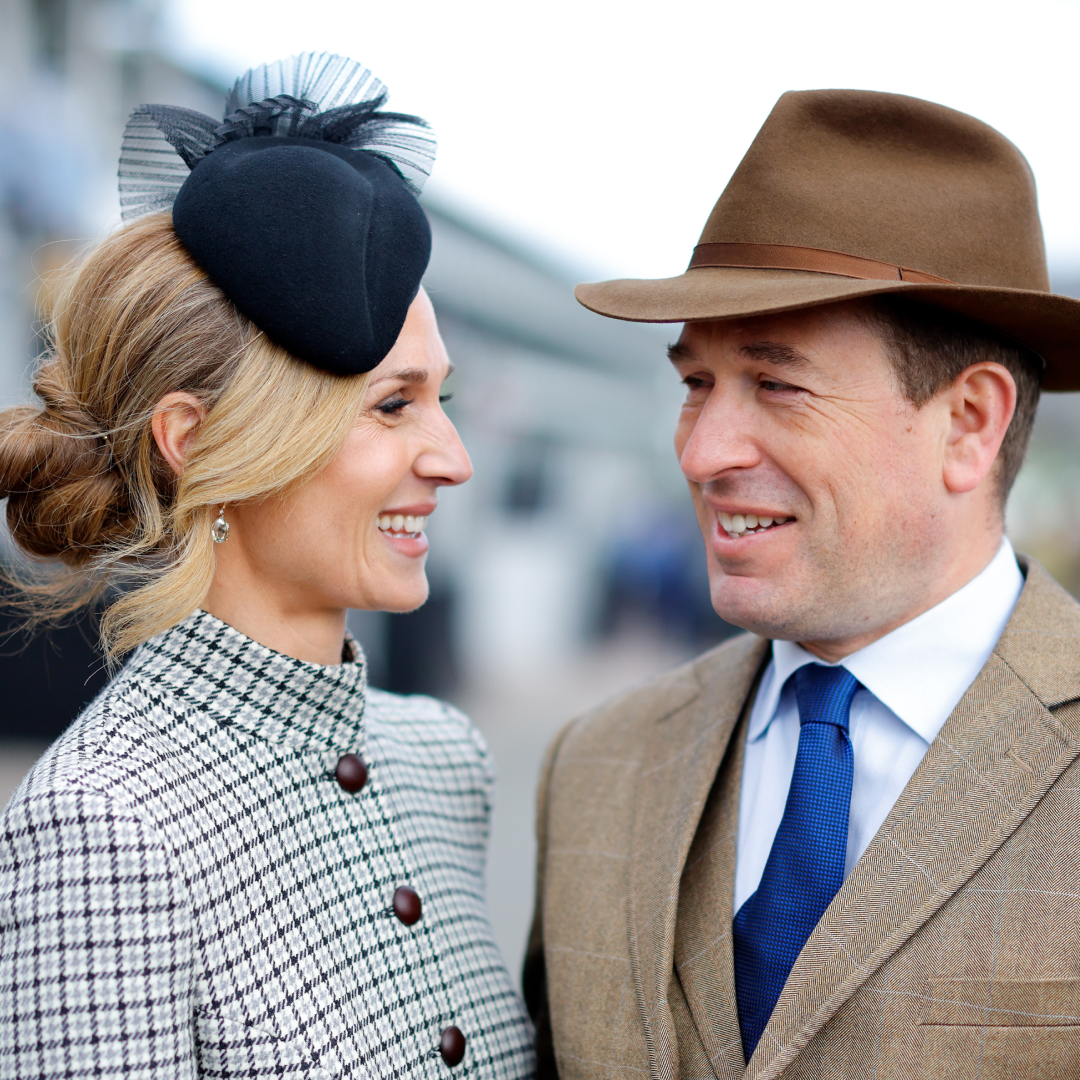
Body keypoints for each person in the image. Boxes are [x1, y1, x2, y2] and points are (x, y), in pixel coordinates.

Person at [524, 89, 1080, 1080]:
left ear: (970, 425)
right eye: (695, 383)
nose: (700, 451)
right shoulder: (593, 766)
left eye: (775, 383)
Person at [0, 53, 535, 1080]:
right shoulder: (103, 831)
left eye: (444, 402)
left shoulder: (446, 762)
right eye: (391, 405)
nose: (453, 461)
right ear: (193, 440)